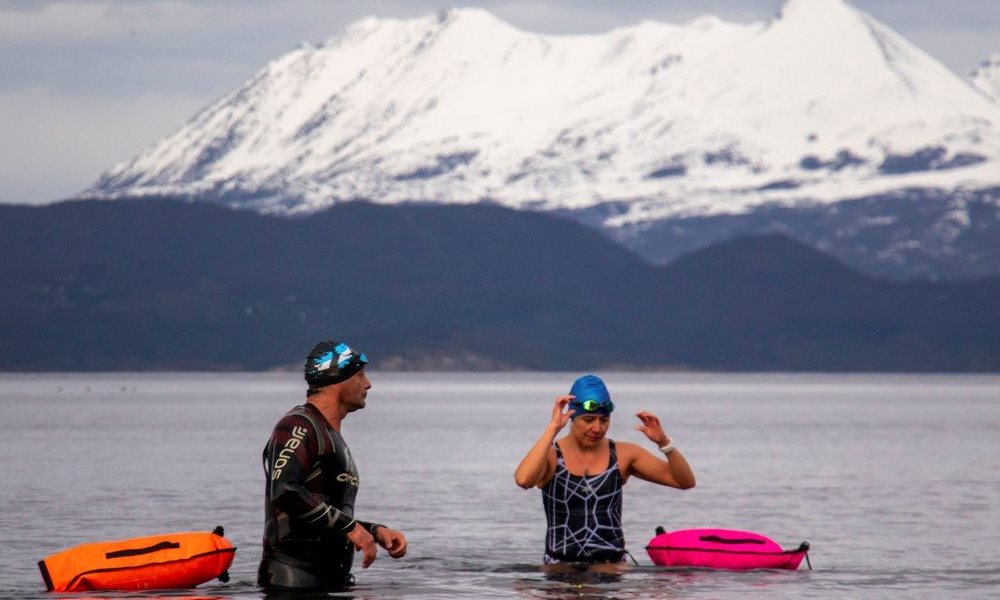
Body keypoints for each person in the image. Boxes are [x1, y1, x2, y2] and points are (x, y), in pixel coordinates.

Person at [258, 340, 407, 591]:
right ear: (338, 379)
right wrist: (350, 527)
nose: (368, 383)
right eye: (360, 375)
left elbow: (321, 512)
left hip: (327, 584)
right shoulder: (299, 426)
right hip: (292, 584)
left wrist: (371, 530)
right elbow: (284, 491)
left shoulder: (330, 436)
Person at [514, 374, 695, 566]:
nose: (597, 428)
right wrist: (552, 428)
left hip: (612, 570)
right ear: (571, 417)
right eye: (588, 420)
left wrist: (664, 443)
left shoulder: (624, 454)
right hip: (558, 571)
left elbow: (685, 482)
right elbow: (524, 480)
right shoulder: (551, 456)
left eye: (604, 420)